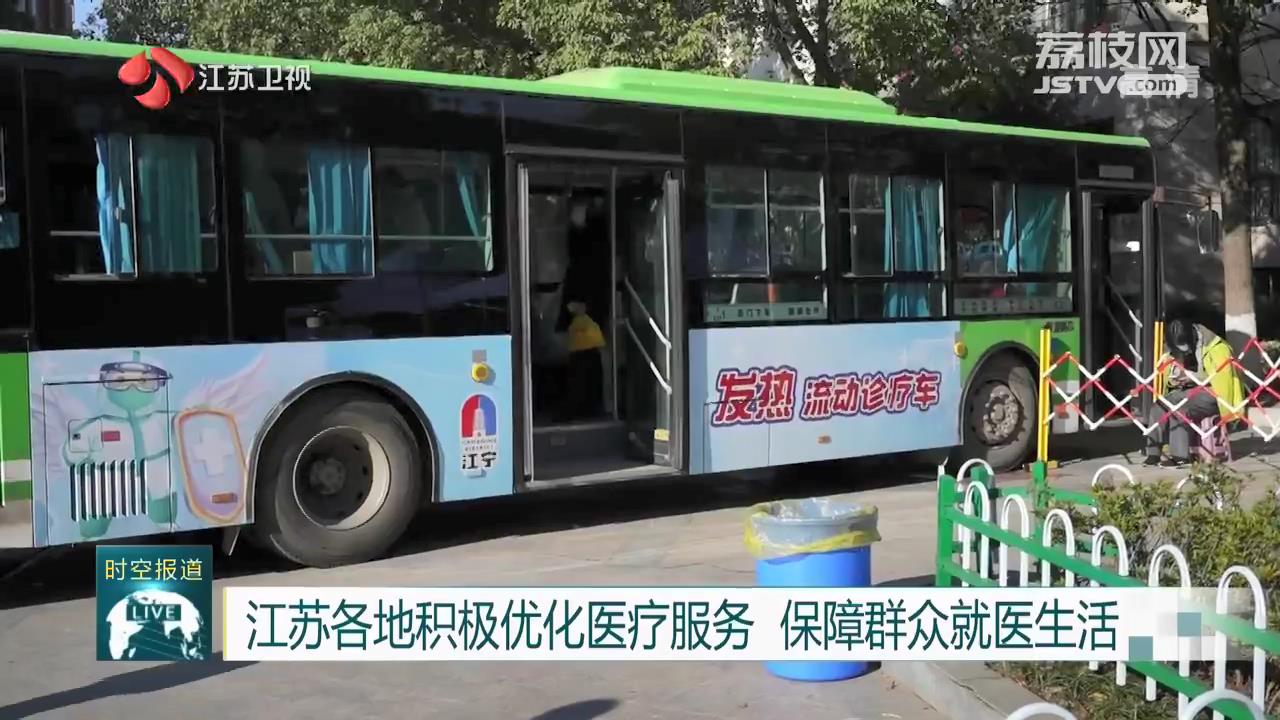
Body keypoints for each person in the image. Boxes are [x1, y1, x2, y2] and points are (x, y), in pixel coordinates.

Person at [1143, 317, 1244, 467]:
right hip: (1188, 390)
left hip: (1213, 393)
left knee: (1180, 410)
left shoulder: (1217, 347)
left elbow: (1220, 379)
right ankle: (1153, 452)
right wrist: (1175, 380)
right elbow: (1168, 376)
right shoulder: (1172, 349)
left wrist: (1192, 377)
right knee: (1158, 406)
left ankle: (1180, 456)